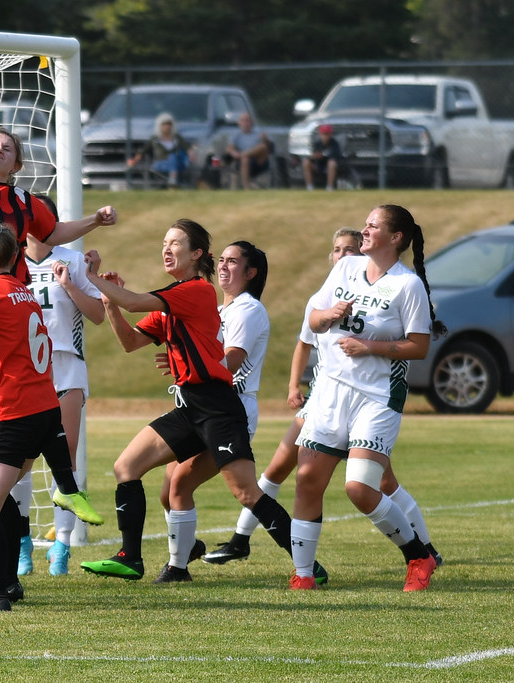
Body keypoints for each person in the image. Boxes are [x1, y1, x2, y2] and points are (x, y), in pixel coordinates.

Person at [77, 220, 309, 583]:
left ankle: (307, 564)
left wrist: (92, 278)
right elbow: (129, 343)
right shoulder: (181, 300)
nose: (166, 249)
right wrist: (110, 304)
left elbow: (140, 302)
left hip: (221, 406)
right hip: (190, 404)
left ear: (196, 253)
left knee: (244, 491)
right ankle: (136, 558)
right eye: (163, 242)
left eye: (175, 243)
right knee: (130, 469)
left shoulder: (199, 292)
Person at [202, 229, 442, 569]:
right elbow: (305, 340)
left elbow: (414, 344)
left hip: (367, 399)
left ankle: (425, 550)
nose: (343, 256)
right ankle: (254, 546)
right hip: (324, 397)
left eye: (349, 249)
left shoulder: (388, 289)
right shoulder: (330, 293)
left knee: (380, 484)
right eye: (337, 250)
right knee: (281, 468)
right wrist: (292, 387)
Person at [0, 111, 115, 538]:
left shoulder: (26, 202)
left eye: (8, 148)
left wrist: (95, 221)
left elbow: (53, 232)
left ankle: (65, 488)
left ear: (17, 165)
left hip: (15, 302)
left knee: (38, 397)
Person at [289, 205, 447, 592]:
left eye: (372, 226)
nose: (363, 230)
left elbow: (420, 347)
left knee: (359, 488)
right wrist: (328, 314)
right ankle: (304, 575)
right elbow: (312, 321)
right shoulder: (345, 268)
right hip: (330, 392)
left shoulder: (407, 285)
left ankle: (417, 556)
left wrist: (369, 346)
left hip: (377, 397)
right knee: (307, 479)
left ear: (395, 239)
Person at [0, 197, 90, 611]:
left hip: (14, 412)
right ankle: (9, 583)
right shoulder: (23, 291)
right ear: (15, 255)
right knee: (4, 495)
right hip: (46, 408)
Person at [10, 195, 105, 577]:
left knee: (63, 457)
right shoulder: (10, 261)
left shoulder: (74, 261)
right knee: (20, 459)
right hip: (24, 370)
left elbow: (98, 314)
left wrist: (70, 286)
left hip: (66, 366)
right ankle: (21, 544)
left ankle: (62, 544)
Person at [126, 112, 191, 188]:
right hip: (160, 164)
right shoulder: (155, 139)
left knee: (173, 157)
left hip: (177, 164)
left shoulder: (177, 138)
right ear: (159, 126)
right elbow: (143, 151)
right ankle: (173, 181)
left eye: (169, 124)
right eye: (164, 124)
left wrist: (191, 154)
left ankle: (172, 179)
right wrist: (134, 160)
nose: (167, 126)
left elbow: (187, 148)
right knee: (173, 158)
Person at [225, 112, 271, 189]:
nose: (246, 123)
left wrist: (265, 139)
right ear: (239, 122)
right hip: (242, 162)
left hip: (259, 162)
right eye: (243, 120)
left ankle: (243, 155)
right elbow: (229, 148)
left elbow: (268, 148)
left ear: (252, 122)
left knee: (262, 146)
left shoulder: (259, 133)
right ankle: (247, 187)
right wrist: (234, 153)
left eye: (248, 120)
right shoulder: (235, 135)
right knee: (245, 159)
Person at [302, 124, 343, 191]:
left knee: (332, 163)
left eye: (327, 134)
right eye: (323, 134)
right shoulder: (317, 144)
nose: (325, 136)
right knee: (306, 162)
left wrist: (324, 156)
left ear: (330, 134)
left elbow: (336, 156)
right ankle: (309, 187)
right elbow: (312, 155)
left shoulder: (334, 144)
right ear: (320, 135)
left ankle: (330, 187)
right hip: (318, 165)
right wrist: (315, 156)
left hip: (329, 167)